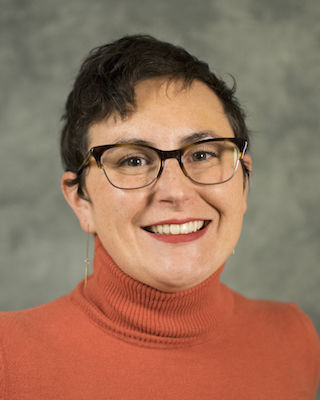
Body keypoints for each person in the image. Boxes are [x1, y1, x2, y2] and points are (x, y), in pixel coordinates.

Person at [0, 34, 319, 399]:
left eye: (202, 155)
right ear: (81, 201)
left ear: (243, 182)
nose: (176, 192)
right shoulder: (7, 359)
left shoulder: (294, 338)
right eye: (132, 160)